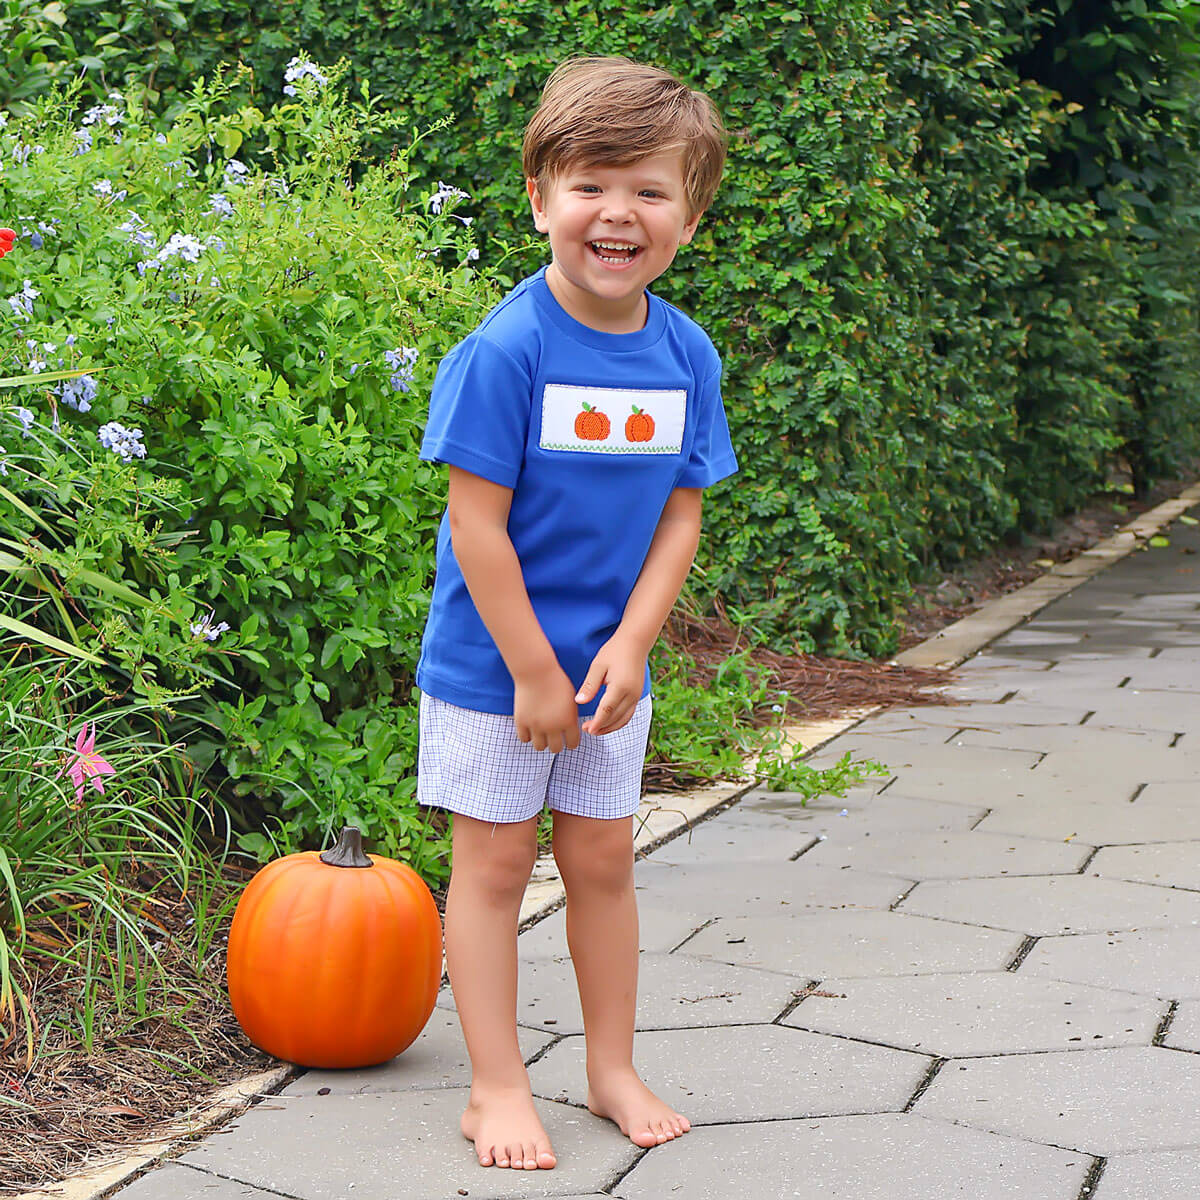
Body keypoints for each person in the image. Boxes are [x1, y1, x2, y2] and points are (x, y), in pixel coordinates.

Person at [415, 54, 737, 1172]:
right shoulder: (509, 350)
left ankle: (609, 1068)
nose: (619, 211)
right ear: (542, 195)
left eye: (650, 189)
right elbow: (476, 530)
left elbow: (679, 519)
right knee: (495, 871)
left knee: (602, 863)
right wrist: (532, 673)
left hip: (608, 675)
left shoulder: (685, 354)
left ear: (688, 216)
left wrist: (633, 645)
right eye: (592, 181)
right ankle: (495, 1089)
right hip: (490, 670)